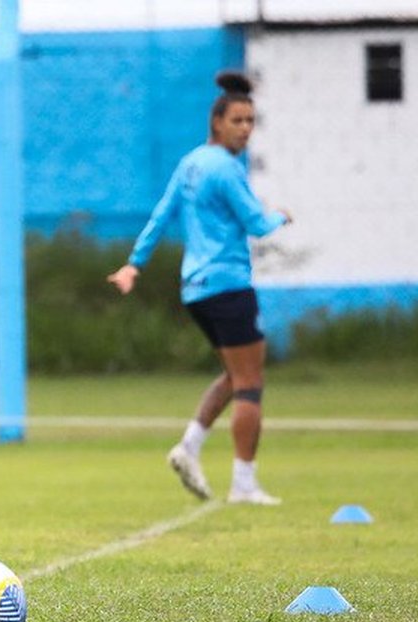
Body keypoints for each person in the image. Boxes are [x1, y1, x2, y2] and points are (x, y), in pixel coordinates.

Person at [107, 71, 292, 506]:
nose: (245, 129)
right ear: (217, 123)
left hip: (195, 289)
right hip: (228, 284)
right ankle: (244, 484)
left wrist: (134, 265)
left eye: (250, 122)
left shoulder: (190, 163)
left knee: (233, 375)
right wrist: (280, 214)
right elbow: (258, 225)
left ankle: (189, 447)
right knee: (250, 382)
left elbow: (161, 215)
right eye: (238, 121)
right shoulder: (226, 170)